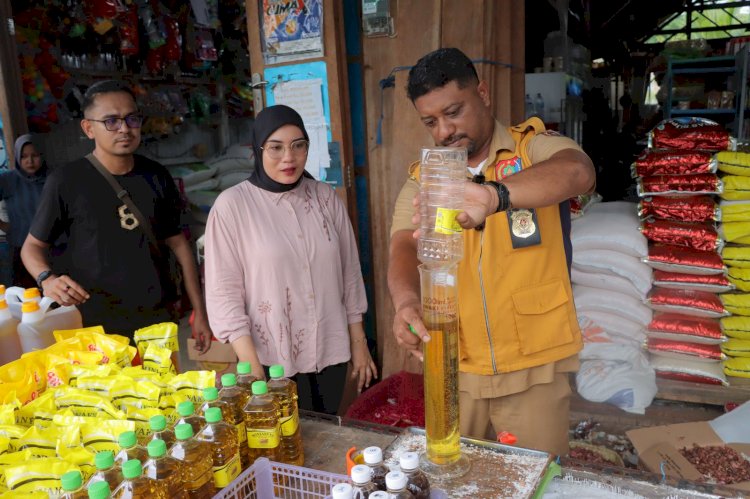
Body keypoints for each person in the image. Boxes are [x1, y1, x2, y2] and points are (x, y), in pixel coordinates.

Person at [388, 48, 596, 456]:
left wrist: (495, 195)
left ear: (482, 93)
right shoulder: (425, 180)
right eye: (431, 122)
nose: (445, 131)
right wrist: (406, 301)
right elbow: (401, 244)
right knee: (455, 476)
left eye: (454, 112)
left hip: (534, 365)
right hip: (455, 365)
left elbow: (578, 172)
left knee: (536, 479)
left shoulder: (531, 148)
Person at [204, 105, 377, 414]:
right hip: (270, 362)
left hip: (330, 349)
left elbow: (349, 273)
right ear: (257, 150)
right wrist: (250, 367)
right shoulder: (232, 207)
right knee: (286, 445)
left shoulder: (325, 198)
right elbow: (224, 293)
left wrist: (359, 343)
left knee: (324, 433)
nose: (289, 157)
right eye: (276, 148)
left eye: (299, 146)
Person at [21, 80, 212, 347]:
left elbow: (180, 245)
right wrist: (46, 279)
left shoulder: (156, 176)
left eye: (132, 119)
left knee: (164, 388)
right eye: (111, 121)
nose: (124, 129)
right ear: (88, 128)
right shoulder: (66, 181)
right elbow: (32, 247)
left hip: (157, 318)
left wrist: (200, 312)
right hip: (94, 324)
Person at [0, 135, 48, 288]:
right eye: (24, 156)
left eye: (35, 155)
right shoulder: (8, 180)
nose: (30, 161)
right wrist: (4, 226)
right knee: (29, 298)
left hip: (54, 248)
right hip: (21, 248)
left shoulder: (53, 178)